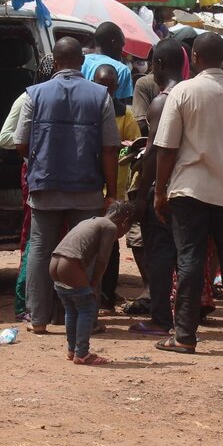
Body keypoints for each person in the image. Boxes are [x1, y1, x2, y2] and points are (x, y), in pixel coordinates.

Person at [153, 33, 223, 354]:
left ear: (196, 58)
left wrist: (160, 192)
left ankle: (185, 335)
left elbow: (166, 148)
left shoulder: (183, 91)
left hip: (190, 191)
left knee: (189, 261)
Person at [15, 38, 120, 334]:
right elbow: (110, 148)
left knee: (39, 248)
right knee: (84, 252)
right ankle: (87, 318)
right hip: (87, 188)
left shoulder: (34, 94)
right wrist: (111, 192)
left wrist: (40, 161)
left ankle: (38, 318)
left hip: (45, 185)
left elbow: (20, 142)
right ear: (82, 63)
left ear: (56, 63)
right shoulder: (100, 96)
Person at [129, 38, 188, 336]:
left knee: (162, 254)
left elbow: (153, 153)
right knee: (187, 255)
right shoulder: (195, 94)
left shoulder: (162, 100)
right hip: (193, 187)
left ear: (160, 65)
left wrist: (143, 196)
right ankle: (186, 321)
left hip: (166, 188)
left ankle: (161, 318)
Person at [0, 55, 55, 321]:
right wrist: (35, 143)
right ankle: (25, 301)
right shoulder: (28, 99)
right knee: (34, 236)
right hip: (34, 171)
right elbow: (6, 138)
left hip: (54, 172)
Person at [50, 202, 132, 365]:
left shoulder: (89, 221)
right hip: (69, 265)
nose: (122, 235)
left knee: (72, 309)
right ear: (125, 221)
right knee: (87, 307)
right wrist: (93, 284)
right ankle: (82, 354)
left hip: (54, 263)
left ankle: (72, 350)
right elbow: (102, 260)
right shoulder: (110, 227)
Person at [92, 64, 141, 310]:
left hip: (114, 188)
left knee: (110, 245)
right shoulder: (88, 107)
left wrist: (120, 146)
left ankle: (107, 295)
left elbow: (134, 146)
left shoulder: (124, 114)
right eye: (101, 85)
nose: (105, 91)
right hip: (91, 187)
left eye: (109, 87)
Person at [82, 22, 134, 101]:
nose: (122, 50)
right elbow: (122, 108)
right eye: (122, 45)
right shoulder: (122, 70)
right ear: (113, 43)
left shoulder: (81, 61)